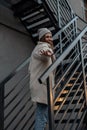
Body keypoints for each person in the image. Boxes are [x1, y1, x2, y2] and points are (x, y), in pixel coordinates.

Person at [28, 28, 55, 130]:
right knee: (42, 116)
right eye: (47, 37)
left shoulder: (39, 48)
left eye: (50, 36)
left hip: (42, 86)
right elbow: (43, 53)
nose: (50, 38)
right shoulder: (41, 47)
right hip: (42, 86)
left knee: (44, 115)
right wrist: (47, 53)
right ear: (42, 38)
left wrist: (50, 53)